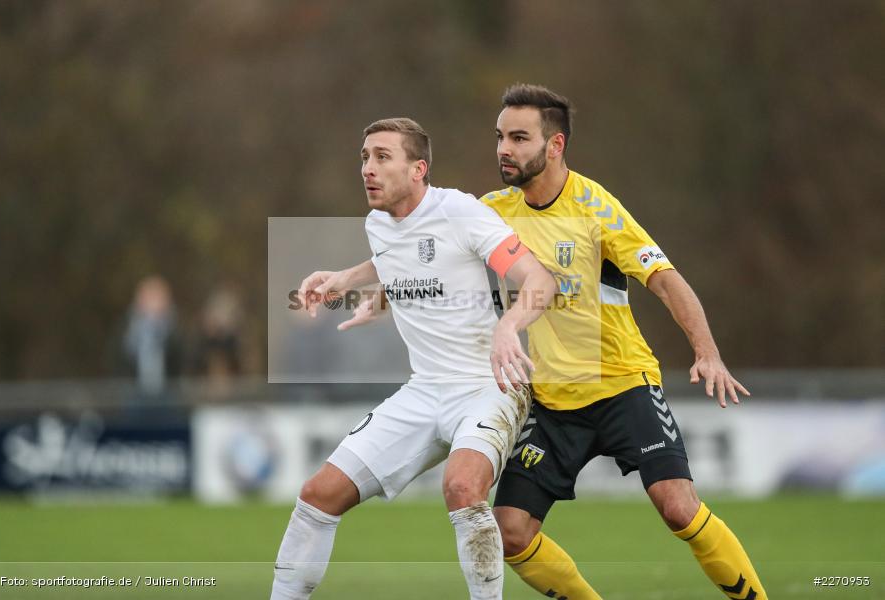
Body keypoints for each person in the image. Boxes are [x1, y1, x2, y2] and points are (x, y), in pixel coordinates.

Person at [480, 83, 767, 599]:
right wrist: (369, 288)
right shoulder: (491, 212)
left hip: (621, 385)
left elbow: (665, 279)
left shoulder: (597, 208)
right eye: (500, 136)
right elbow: (427, 249)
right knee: (509, 533)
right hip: (550, 402)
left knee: (677, 506)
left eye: (519, 137)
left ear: (555, 145)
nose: (504, 148)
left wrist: (707, 351)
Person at [270, 117, 557, 600]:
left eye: (383, 156)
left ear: (418, 168)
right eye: (364, 157)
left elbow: (540, 281)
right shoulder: (377, 223)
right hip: (424, 391)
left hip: (489, 387)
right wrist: (350, 281)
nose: (368, 168)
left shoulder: (461, 212)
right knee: (316, 497)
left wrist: (509, 326)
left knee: (462, 489)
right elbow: (406, 256)